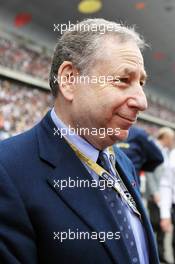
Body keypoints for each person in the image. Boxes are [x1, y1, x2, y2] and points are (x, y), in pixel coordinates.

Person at [0, 18, 159, 264]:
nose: (142, 101)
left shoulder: (122, 162)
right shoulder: (7, 170)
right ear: (70, 79)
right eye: (123, 80)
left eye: (141, 83)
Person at [146, 127, 175, 263]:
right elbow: (149, 172)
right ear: (165, 137)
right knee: (154, 226)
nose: (173, 141)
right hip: (155, 195)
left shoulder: (166, 152)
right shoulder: (154, 148)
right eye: (172, 138)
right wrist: (155, 192)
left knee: (162, 229)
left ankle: (160, 255)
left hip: (163, 196)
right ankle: (153, 254)